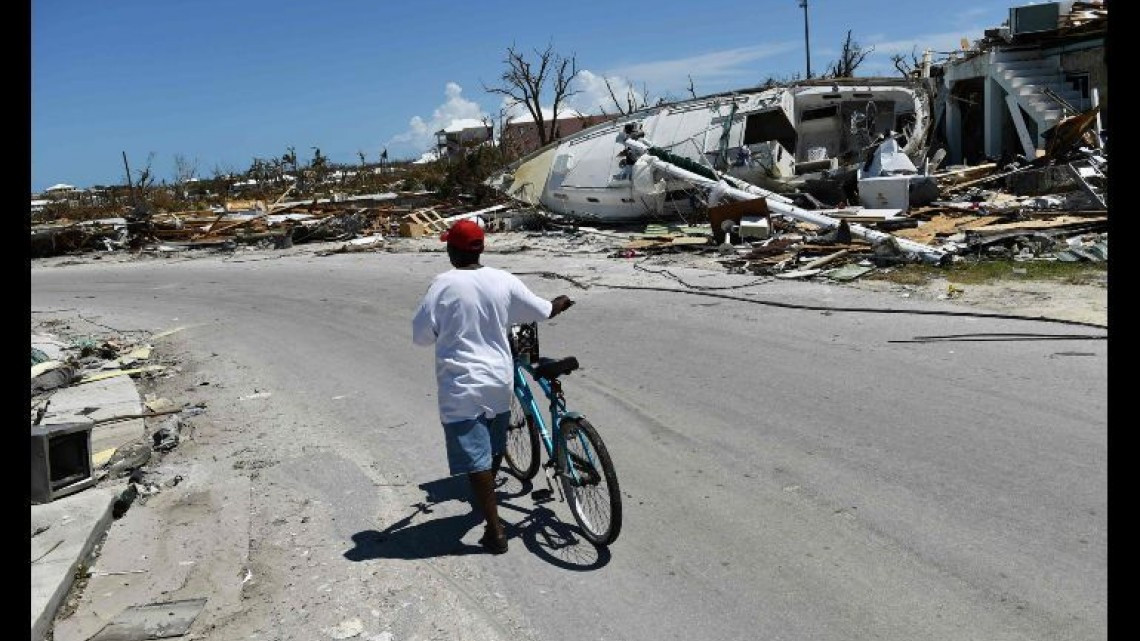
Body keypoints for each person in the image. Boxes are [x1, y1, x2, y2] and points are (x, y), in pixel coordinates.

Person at [412, 219, 574, 554]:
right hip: (499, 380)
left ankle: (495, 530)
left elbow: (421, 337)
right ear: (481, 247)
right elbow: (542, 310)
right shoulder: (502, 279)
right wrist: (559, 302)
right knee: (494, 443)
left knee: (476, 458)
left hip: (462, 384)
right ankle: (489, 506)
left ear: (451, 250)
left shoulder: (442, 285)